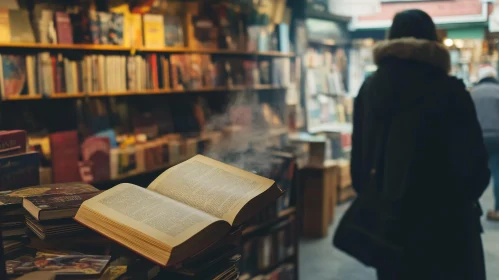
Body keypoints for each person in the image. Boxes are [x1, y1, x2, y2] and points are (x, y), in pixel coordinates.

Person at [348, 9, 490, 280]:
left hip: (391, 228)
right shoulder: (450, 90)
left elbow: (359, 169)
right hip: (447, 228)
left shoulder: (369, 90)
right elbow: (476, 168)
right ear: (432, 39)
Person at [472, 65, 499, 221]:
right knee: (497, 172)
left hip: (478, 138)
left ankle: (472, 206)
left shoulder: (473, 93)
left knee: (474, 172)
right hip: (497, 137)